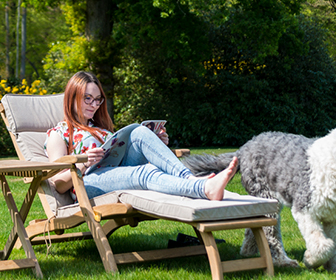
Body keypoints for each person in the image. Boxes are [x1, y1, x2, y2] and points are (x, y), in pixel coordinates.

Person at [44, 71, 238, 201]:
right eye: (87, 98)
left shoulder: (101, 128)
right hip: (88, 183)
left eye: (97, 99)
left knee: (140, 131)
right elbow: (57, 184)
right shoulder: (59, 133)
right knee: (144, 173)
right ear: (73, 97)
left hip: (117, 173)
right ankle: (203, 189)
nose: (94, 105)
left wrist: (156, 144)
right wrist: (84, 163)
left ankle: (190, 179)